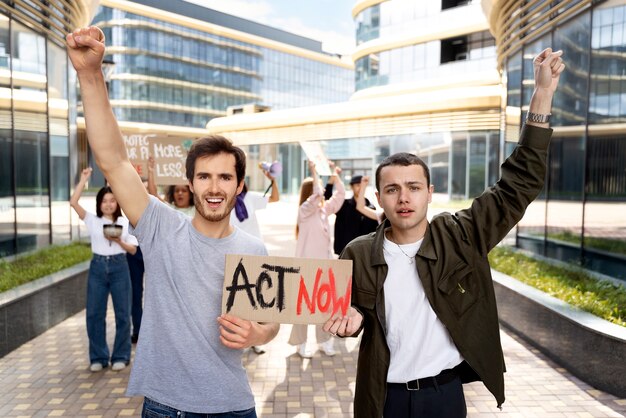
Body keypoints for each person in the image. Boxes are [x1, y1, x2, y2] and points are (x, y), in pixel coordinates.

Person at [324, 47, 565, 417]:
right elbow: (351, 314)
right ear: (379, 198)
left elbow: (518, 185)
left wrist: (542, 95)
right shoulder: (357, 253)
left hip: (444, 395)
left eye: (414, 187)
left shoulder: (462, 235)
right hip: (382, 398)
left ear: (429, 194)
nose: (404, 198)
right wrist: (350, 322)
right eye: (392, 190)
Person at [67, 26, 279, 417]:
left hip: (234, 406)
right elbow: (113, 161)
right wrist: (90, 75)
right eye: (204, 176)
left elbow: (270, 323)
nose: (214, 187)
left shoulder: (253, 250)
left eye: (225, 177)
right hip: (166, 408)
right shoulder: (161, 225)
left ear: (239, 186)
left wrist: (257, 333)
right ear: (191, 183)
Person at [70, 167, 138, 372]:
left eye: (112, 200)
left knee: (123, 314)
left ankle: (121, 355)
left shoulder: (125, 223)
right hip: (98, 267)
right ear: (99, 204)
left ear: (117, 203)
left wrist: (118, 241)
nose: (108, 204)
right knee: (94, 313)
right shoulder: (93, 220)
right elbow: (73, 202)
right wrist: (83, 180)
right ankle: (98, 356)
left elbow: (133, 250)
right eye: (104, 201)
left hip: (119, 266)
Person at [288, 160, 345, 358]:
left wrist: (334, 175)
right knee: (303, 307)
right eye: (315, 186)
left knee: (324, 305)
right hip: (305, 269)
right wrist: (314, 171)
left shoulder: (323, 211)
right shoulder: (304, 211)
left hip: (325, 268)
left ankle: (324, 341)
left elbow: (340, 196)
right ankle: (300, 343)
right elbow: (318, 194)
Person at [231, 163, 280, 355]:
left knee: (256, 296)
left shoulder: (250, 198)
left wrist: (272, 180)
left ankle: (255, 338)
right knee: (238, 297)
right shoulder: (222, 201)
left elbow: (275, 198)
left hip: (254, 253)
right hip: (234, 254)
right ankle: (240, 338)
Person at [325, 174, 379, 256]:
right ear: (351, 186)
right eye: (357, 185)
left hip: (365, 253)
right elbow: (328, 200)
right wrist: (331, 182)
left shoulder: (371, 208)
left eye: (362, 185)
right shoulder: (343, 205)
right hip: (345, 251)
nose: (360, 188)